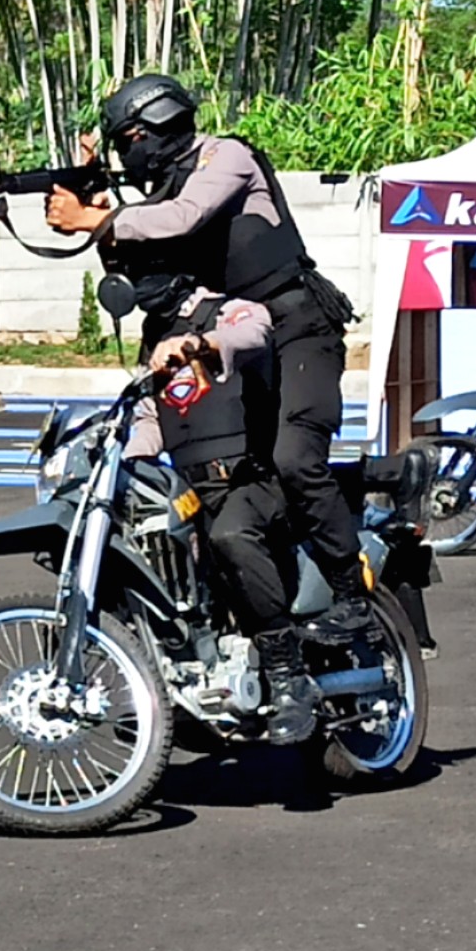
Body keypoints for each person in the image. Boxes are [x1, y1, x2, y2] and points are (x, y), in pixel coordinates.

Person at [45, 74, 370, 630]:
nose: (130, 153)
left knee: (295, 458)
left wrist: (98, 218)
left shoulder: (227, 157)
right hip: (232, 336)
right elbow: (149, 275)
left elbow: (183, 218)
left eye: (131, 139)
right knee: (216, 482)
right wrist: (101, 219)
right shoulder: (164, 189)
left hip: (298, 326)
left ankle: (351, 595)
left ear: (161, 124)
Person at [119, 268, 318, 744]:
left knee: (229, 535)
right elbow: (153, 419)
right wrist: (120, 461)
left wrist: (199, 344)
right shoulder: (155, 337)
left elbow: (252, 333)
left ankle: (288, 676)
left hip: (252, 479)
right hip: (192, 488)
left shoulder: (228, 309)